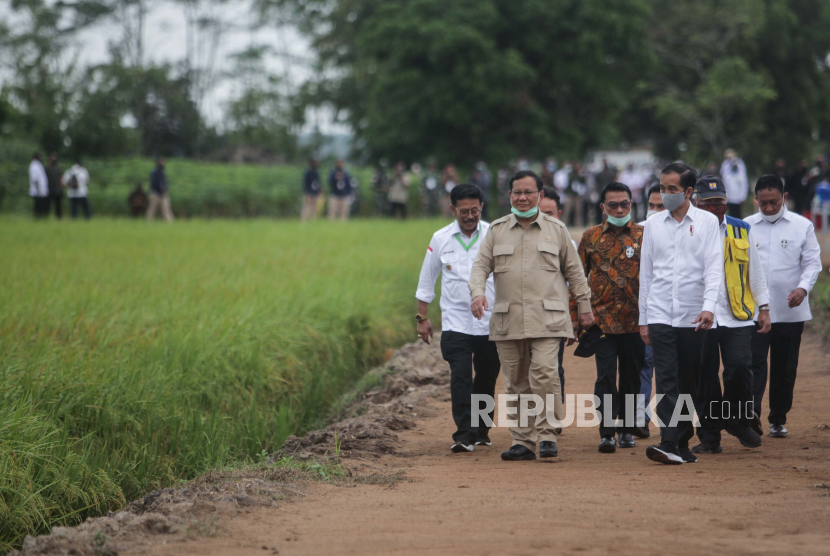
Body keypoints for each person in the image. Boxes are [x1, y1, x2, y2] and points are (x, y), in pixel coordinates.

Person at [469, 171, 594, 461]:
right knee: (516, 380)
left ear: (539, 194)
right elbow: (479, 267)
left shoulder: (556, 229)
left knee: (545, 373)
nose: (522, 198)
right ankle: (523, 441)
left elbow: (575, 272)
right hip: (508, 318)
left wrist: (585, 309)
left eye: (528, 192)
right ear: (509, 195)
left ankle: (548, 434)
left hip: (548, 318)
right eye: (517, 192)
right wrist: (477, 292)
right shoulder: (497, 230)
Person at [638, 163, 723, 465]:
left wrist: (709, 307)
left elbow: (714, 269)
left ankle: (682, 443)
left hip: (693, 315)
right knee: (667, 379)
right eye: (662, 188)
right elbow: (645, 275)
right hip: (660, 313)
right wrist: (643, 319)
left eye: (672, 189)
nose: (665, 194)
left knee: (690, 379)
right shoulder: (652, 225)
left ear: (688, 191)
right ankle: (668, 441)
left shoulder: (707, 223)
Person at [416, 184, 500, 452]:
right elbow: (426, 280)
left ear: (481, 208)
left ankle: (481, 430)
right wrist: (422, 318)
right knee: (460, 376)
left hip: (490, 322)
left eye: (475, 210)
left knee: (487, 377)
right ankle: (464, 434)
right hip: (455, 322)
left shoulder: (494, 235)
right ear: (453, 209)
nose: (470, 216)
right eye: (464, 211)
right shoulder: (440, 238)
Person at [691, 176, 771, 454]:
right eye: (708, 203)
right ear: (695, 202)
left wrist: (763, 308)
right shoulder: (687, 230)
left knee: (739, 368)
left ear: (727, 202)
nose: (715, 208)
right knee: (706, 377)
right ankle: (710, 436)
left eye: (719, 203)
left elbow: (755, 271)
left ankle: (737, 421)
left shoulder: (741, 229)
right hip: (702, 316)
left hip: (737, 314)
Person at [745, 175, 822, 438]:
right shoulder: (745, 226)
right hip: (754, 312)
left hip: (790, 310)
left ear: (785, 198)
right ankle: (751, 415)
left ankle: (777, 418)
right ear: (755, 200)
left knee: (784, 367)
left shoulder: (802, 226)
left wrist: (803, 288)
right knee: (753, 364)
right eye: (763, 203)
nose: (767, 208)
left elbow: (813, 263)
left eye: (773, 203)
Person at [578, 182, 646, 453]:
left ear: (632, 204)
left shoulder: (644, 236)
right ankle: (607, 431)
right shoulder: (590, 237)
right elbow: (576, 277)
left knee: (631, 376)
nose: (619, 209)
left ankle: (627, 429)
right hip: (601, 322)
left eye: (624, 204)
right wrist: (577, 314)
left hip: (636, 321)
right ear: (602, 207)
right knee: (605, 377)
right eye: (613, 205)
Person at [633, 184, 666, 439]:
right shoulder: (635, 233)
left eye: (661, 206)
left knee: (660, 367)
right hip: (636, 312)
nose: (654, 211)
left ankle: (668, 423)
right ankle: (639, 417)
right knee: (642, 363)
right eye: (651, 206)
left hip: (666, 311)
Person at [540, 186, 575, 402]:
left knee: (553, 368)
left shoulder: (566, 243)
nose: (544, 219)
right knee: (527, 370)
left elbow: (574, 282)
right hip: (522, 314)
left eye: (549, 214)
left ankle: (553, 415)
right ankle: (531, 418)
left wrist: (573, 319)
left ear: (559, 215)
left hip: (553, 317)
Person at [720, 149, 749, 218]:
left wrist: (743, 197)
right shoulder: (725, 164)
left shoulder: (739, 163)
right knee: (730, 215)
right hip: (729, 196)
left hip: (738, 196)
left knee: (738, 215)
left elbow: (743, 181)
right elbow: (724, 180)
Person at [148, 157, 174, 222]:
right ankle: (148, 222)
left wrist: (165, 190)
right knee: (152, 209)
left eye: (163, 161)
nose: (162, 163)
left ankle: (170, 223)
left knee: (166, 209)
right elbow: (154, 183)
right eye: (161, 161)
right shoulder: (154, 172)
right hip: (155, 193)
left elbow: (165, 183)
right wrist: (160, 191)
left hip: (163, 194)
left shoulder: (163, 173)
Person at [29, 152, 49, 219]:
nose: (42, 158)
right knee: (38, 205)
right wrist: (38, 189)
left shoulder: (39, 165)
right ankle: (37, 217)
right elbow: (35, 179)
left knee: (41, 205)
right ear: (37, 157)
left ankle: (41, 217)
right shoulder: (34, 166)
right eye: (40, 156)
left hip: (41, 190)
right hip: (38, 190)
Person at [45, 152, 64, 219]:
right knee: (47, 205)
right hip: (49, 190)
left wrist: (61, 187)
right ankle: (45, 217)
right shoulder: (47, 169)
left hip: (57, 190)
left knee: (58, 206)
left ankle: (59, 218)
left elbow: (60, 178)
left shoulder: (57, 169)